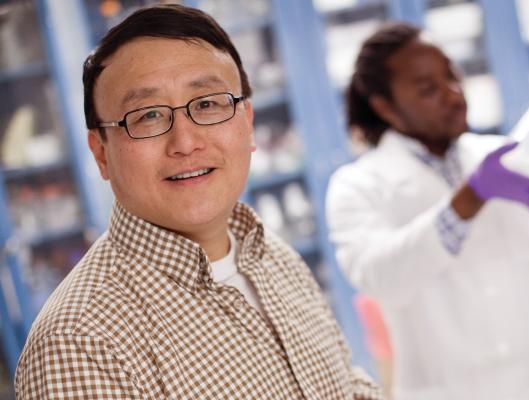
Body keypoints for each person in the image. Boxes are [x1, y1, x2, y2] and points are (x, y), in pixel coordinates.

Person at [14, 5, 382, 399]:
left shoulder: (269, 256)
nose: (186, 142)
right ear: (101, 152)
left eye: (207, 104)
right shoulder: (78, 344)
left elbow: (344, 385)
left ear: (247, 122)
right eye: (148, 115)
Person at [326, 22, 529, 400]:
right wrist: (472, 196)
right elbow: (381, 276)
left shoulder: (505, 157)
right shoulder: (356, 186)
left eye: (452, 77)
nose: (453, 94)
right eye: (428, 89)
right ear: (384, 106)